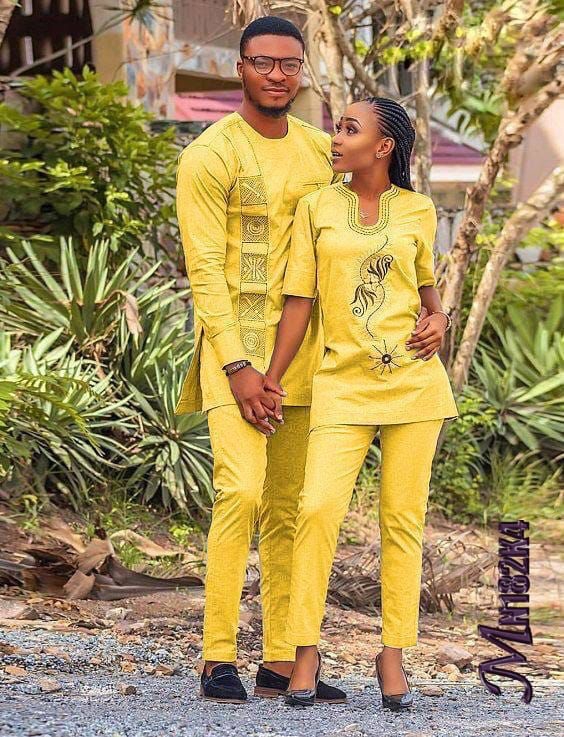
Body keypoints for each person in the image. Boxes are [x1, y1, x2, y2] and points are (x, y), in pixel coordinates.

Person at [175, 16, 347, 704]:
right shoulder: (209, 155)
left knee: (290, 510)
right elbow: (203, 269)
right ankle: (217, 656)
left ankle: (281, 659)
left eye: (289, 64)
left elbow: (357, 239)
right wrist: (237, 366)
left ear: (301, 70)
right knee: (240, 493)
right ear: (239, 67)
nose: (278, 75)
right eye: (264, 63)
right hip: (234, 356)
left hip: (305, 358)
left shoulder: (321, 152)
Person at [266, 96, 459, 710]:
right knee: (317, 511)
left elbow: (425, 289)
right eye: (336, 126)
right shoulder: (317, 207)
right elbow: (300, 299)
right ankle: (305, 652)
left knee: (402, 522)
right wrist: (272, 377)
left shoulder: (419, 209)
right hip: (341, 384)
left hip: (415, 386)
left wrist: (440, 319)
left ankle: (393, 653)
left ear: (383, 147)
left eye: (349, 128)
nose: (335, 136)